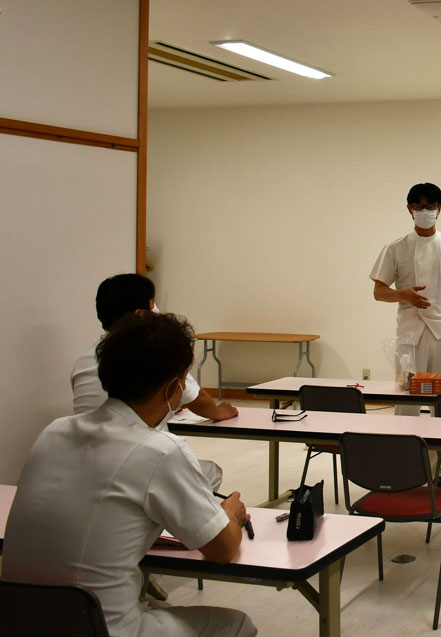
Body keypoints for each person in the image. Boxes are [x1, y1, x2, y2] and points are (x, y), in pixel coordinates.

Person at [3, 313, 257, 637]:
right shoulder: (159, 450)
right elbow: (223, 549)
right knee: (237, 626)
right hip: (100, 629)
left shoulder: (54, 432)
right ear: (174, 387)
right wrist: (230, 514)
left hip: (18, 622)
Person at [71, 273, 235, 491]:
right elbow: (197, 400)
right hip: (138, 462)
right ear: (140, 314)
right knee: (207, 474)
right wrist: (218, 411)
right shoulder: (152, 352)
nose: (157, 312)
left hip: (88, 466)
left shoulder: (83, 361)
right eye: (153, 306)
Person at [371, 182, 441, 414]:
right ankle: (407, 444)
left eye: (431, 207)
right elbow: (379, 291)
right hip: (411, 329)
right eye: (420, 207)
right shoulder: (395, 247)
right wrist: (402, 294)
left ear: (440, 209)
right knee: (407, 394)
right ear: (410, 209)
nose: (426, 212)